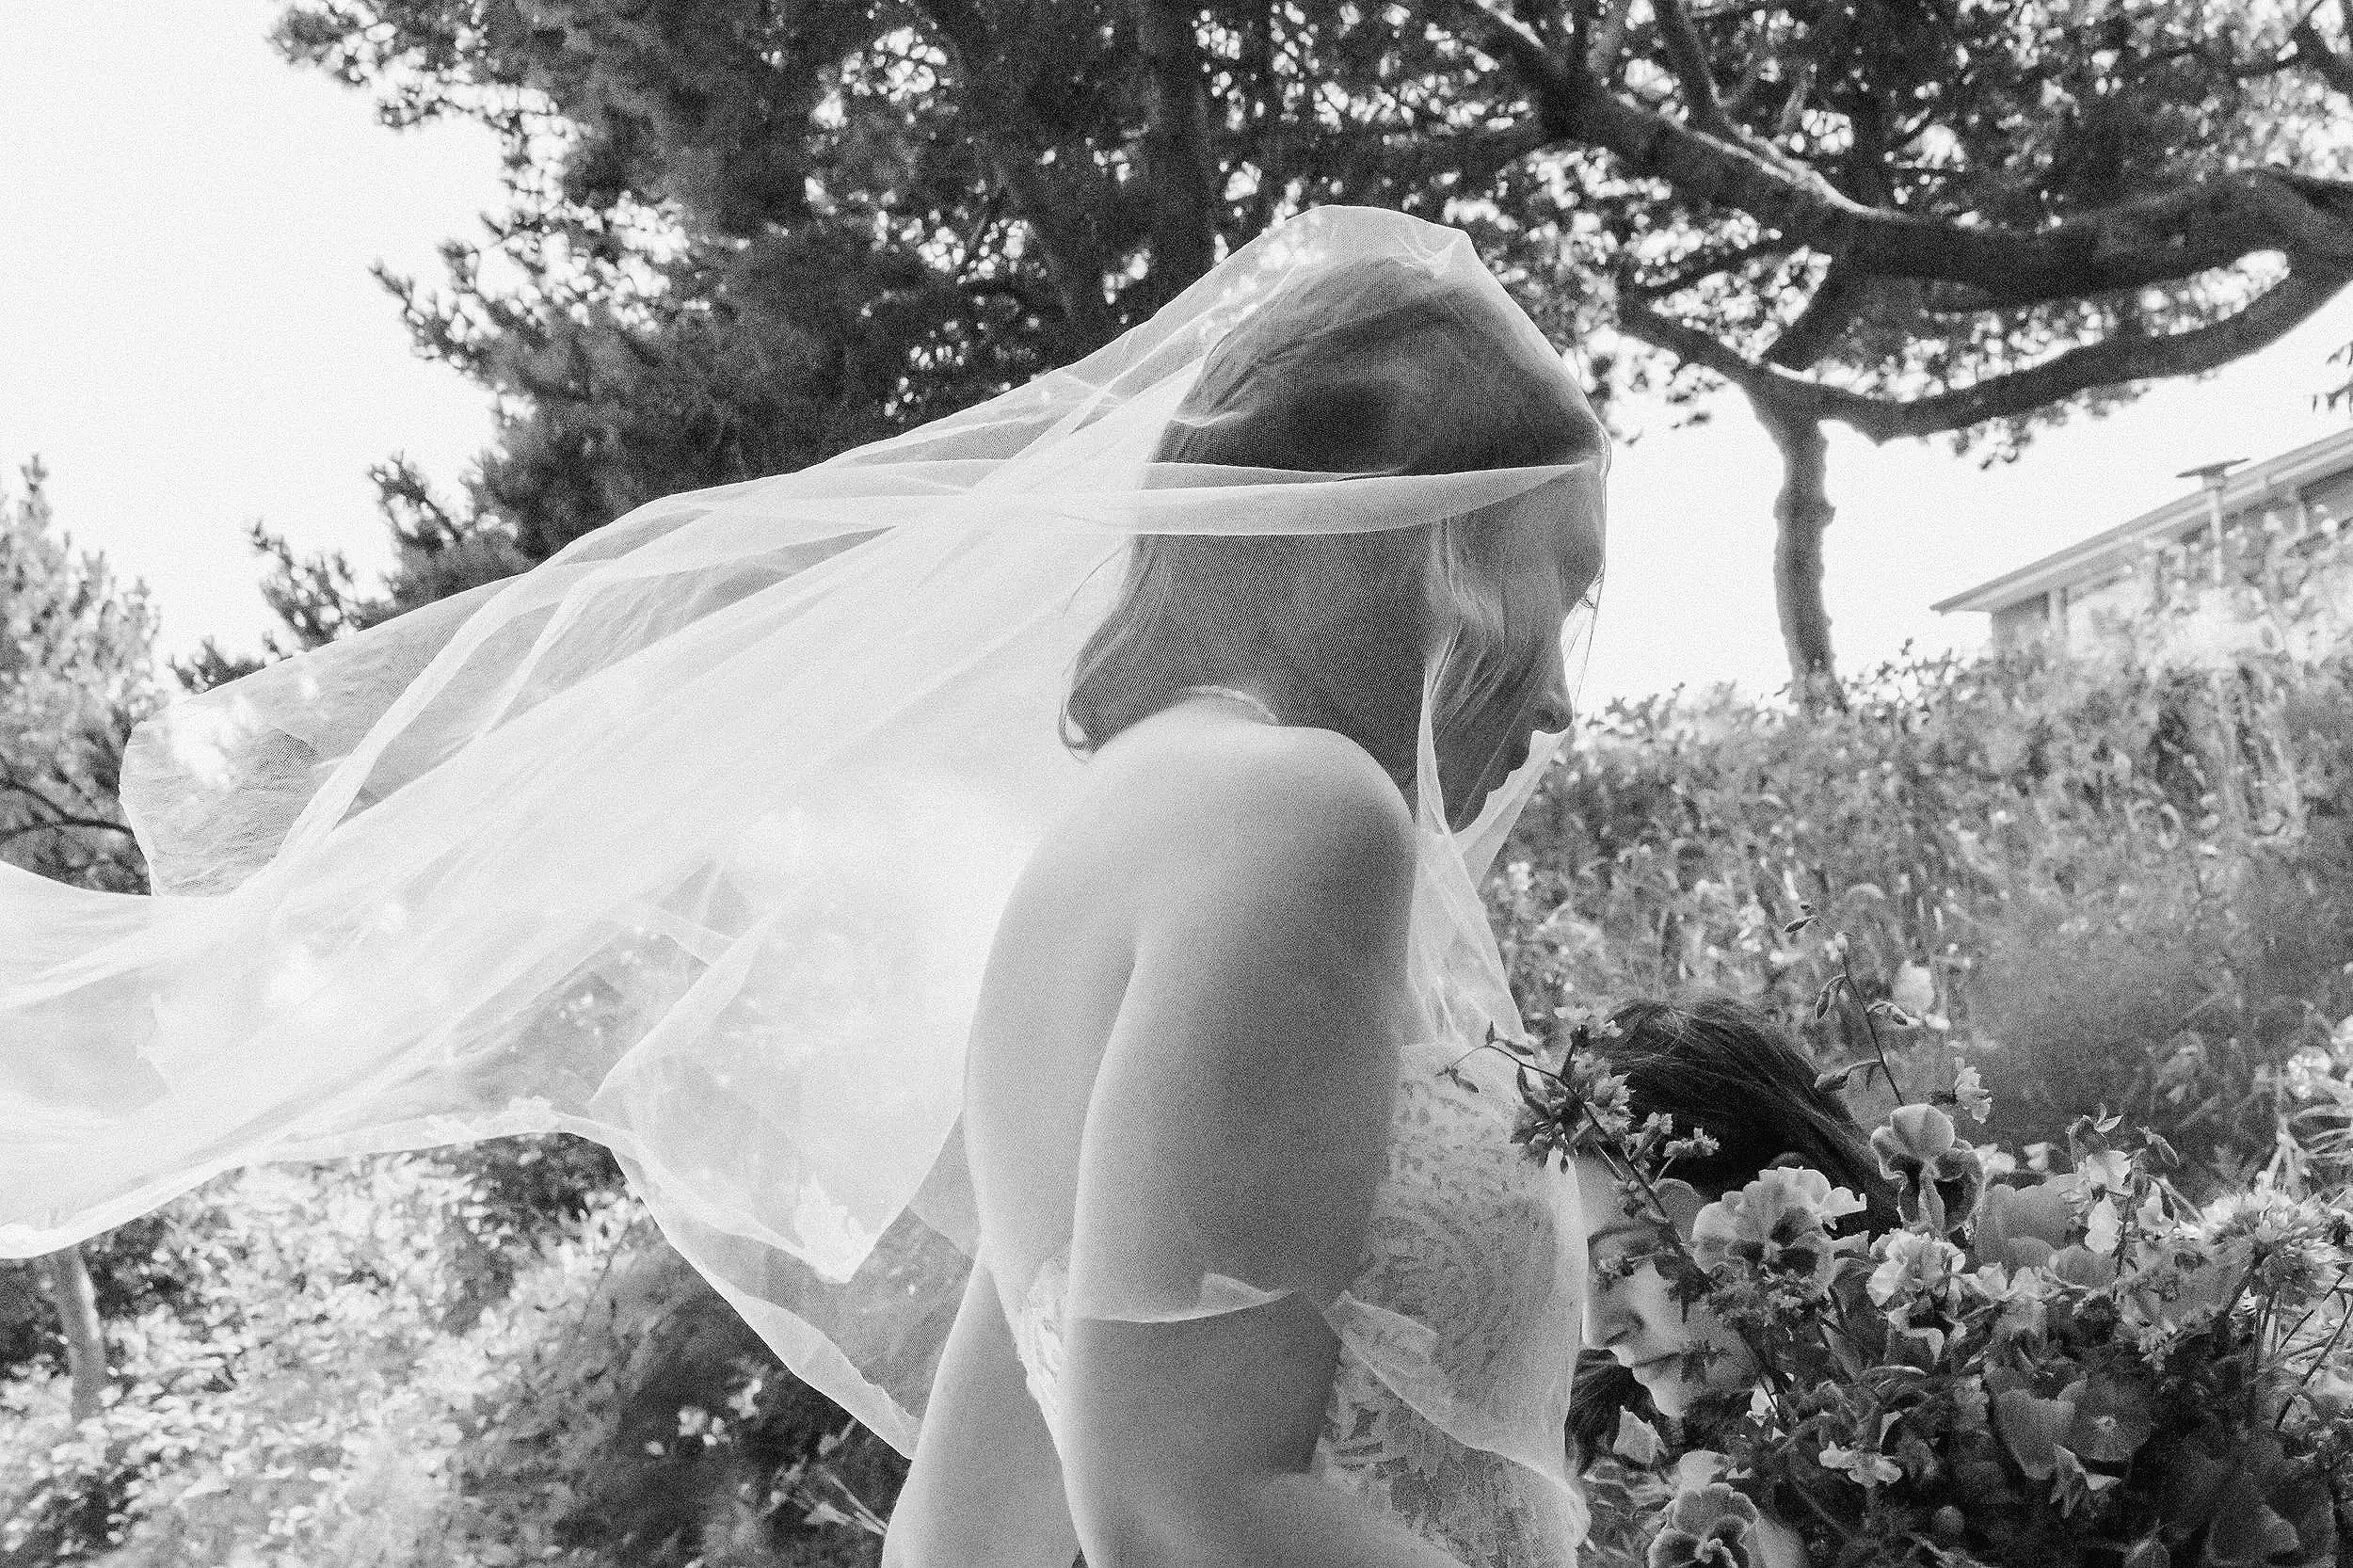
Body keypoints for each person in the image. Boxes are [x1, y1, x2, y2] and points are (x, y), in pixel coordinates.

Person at [0, 208, 1606, 1565]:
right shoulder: (1302, 813)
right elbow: (1180, 1496)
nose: (1559, 700)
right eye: (1564, 585)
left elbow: (977, 1523)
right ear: (1401, 540)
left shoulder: (1137, 822)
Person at [1566, 995, 1897, 1568]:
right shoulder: (1601, 1480)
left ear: (1791, 1213)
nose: (1598, 1331)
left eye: (1624, 1260)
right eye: (1570, 1275)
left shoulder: (1968, 1375)